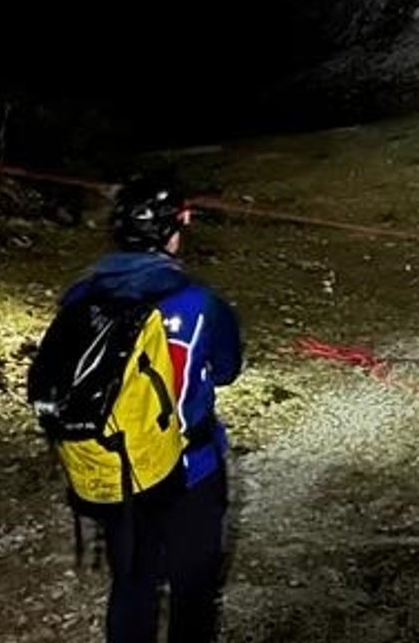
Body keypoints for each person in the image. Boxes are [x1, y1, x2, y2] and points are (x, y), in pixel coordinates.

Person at [55, 175, 243, 643]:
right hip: (190, 472)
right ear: (171, 229)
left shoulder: (80, 296)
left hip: (118, 470)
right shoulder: (201, 303)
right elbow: (226, 369)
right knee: (192, 593)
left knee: (132, 587)